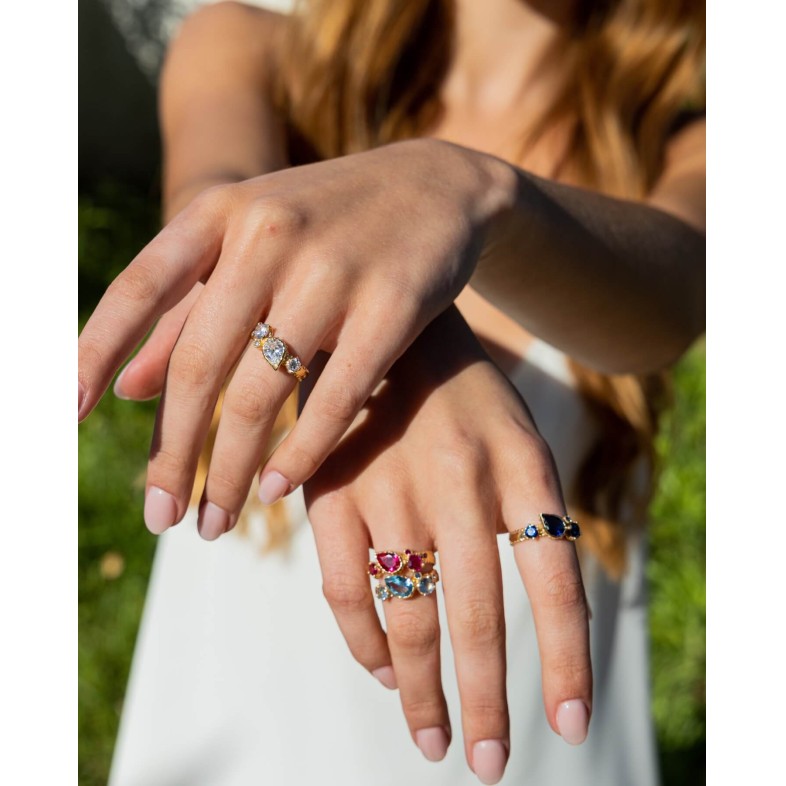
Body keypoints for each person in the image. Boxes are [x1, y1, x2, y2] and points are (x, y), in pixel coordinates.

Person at [77, 0, 705, 784]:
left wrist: (472, 192)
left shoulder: (694, 151)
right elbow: (217, 218)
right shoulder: (252, 49)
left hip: (533, 736)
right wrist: (411, 343)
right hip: (254, 715)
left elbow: (669, 301)